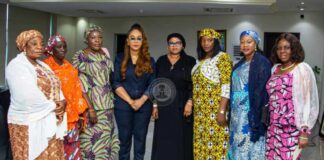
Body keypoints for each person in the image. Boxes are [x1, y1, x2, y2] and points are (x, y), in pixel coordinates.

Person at [6, 30, 66, 160]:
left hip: (51, 120)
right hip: (29, 122)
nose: (39, 47)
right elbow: (26, 97)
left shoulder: (42, 65)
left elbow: (56, 84)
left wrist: (63, 102)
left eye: (41, 43)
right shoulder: (17, 66)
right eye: (34, 44)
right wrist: (54, 106)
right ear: (24, 46)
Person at [266, 33, 319, 159]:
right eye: (279, 48)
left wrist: (304, 132)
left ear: (293, 49)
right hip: (273, 127)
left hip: (291, 129)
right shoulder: (275, 69)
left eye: (286, 47)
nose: (282, 51)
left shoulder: (302, 69)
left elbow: (308, 102)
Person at [72, 25, 119, 159]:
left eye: (99, 37)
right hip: (92, 106)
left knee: (106, 140)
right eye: (93, 37)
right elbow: (78, 84)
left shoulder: (104, 54)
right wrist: (90, 108)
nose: (97, 40)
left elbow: (109, 78)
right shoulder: (80, 56)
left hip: (108, 105)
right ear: (87, 39)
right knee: (91, 142)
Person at [113, 23, 155, 160]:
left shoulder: (150, 60)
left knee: (140, 141)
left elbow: (152, 84)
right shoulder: (120, 58)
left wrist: (141, 100)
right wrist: (131, 101)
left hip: (144, 106)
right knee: (124, 141)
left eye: (139, 38)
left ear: (143, 41)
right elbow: (116, 82)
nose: (136, 41)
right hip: (123, 106)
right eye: (132, 38)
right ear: (127, 41)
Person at [227, 30, 272, 160]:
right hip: (236, 113)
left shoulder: (262, 63)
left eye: (249, 42)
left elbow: (261, 92)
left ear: (256, 43)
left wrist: (255, 117)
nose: (245, 45)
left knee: (249, 146)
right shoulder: (239, 64)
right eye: (242, 42)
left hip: (250, 112)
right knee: (237, 145)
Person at [43, 34, 89, 159]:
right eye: (59, 47)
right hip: (54, 118)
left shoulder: (70, 68)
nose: (62, 49)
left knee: (72, 151)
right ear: (51, 49)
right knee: (55, 151)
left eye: (64, 46)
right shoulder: (45, 68)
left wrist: (80, 116)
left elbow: (77, 92)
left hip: (72, 118)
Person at [151, 33, 196, 160]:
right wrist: (154, 105)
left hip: (182, 105)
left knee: (181, 138)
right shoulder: (161, 60)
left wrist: (190, 101)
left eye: (178, 43)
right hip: (163, 105)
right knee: (163, 137)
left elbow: (195, 84)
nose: (174, 45)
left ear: (183, 45)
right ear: (168, 46)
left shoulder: (190, 61)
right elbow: (155, 83)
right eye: (171, 43)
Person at [191, 28, 232, 160]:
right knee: (201, 145)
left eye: (209, 40)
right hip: (200, 113)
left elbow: (226, 85)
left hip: (215, 110)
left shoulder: (222, 57)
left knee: (216, 146)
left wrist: (221, 111)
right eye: (203, 40)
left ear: (215, 42)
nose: (206, 43)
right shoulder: (201, 59)